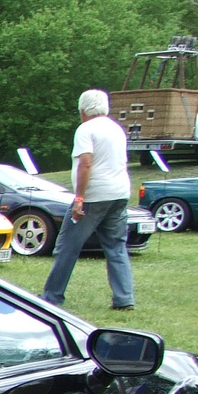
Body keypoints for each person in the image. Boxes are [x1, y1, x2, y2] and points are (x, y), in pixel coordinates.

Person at [38, 89, 133, 310]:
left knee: (67, 246)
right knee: (116, 246)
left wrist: (80, 197)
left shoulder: (86, 129)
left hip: (94, 196)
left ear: (83, 110)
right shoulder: (116, 129)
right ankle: (124, 298)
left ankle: (52, 296)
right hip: (119, 193)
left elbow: (86, 163)